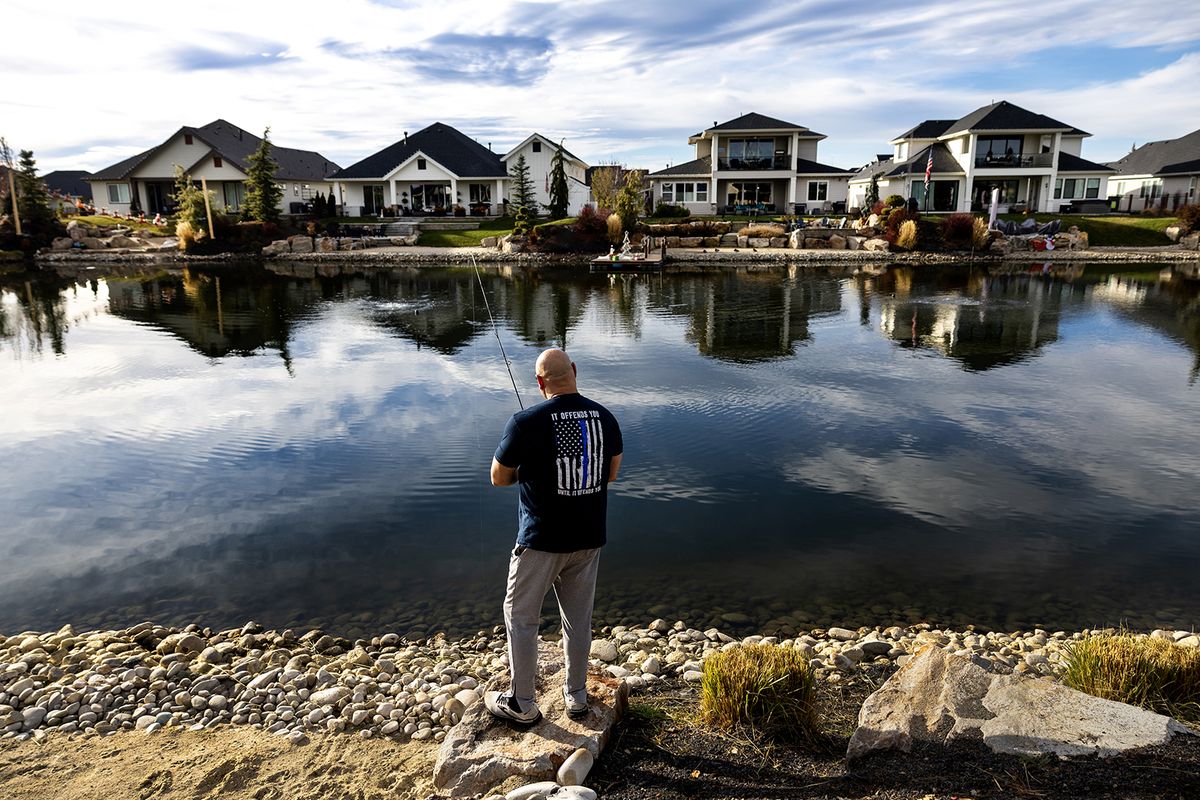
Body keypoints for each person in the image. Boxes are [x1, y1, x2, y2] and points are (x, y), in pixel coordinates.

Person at [485, 348, 623, 725]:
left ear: (540, 382)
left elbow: (499, 477)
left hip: (541, 540)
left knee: (521, 616)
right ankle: (576, 696)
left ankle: (522, 703)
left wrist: (527, 470)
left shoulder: (524, 422)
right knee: (578, 619)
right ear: (574, 371)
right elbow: (609, 473)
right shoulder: (605, 417)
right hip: (589, 537)